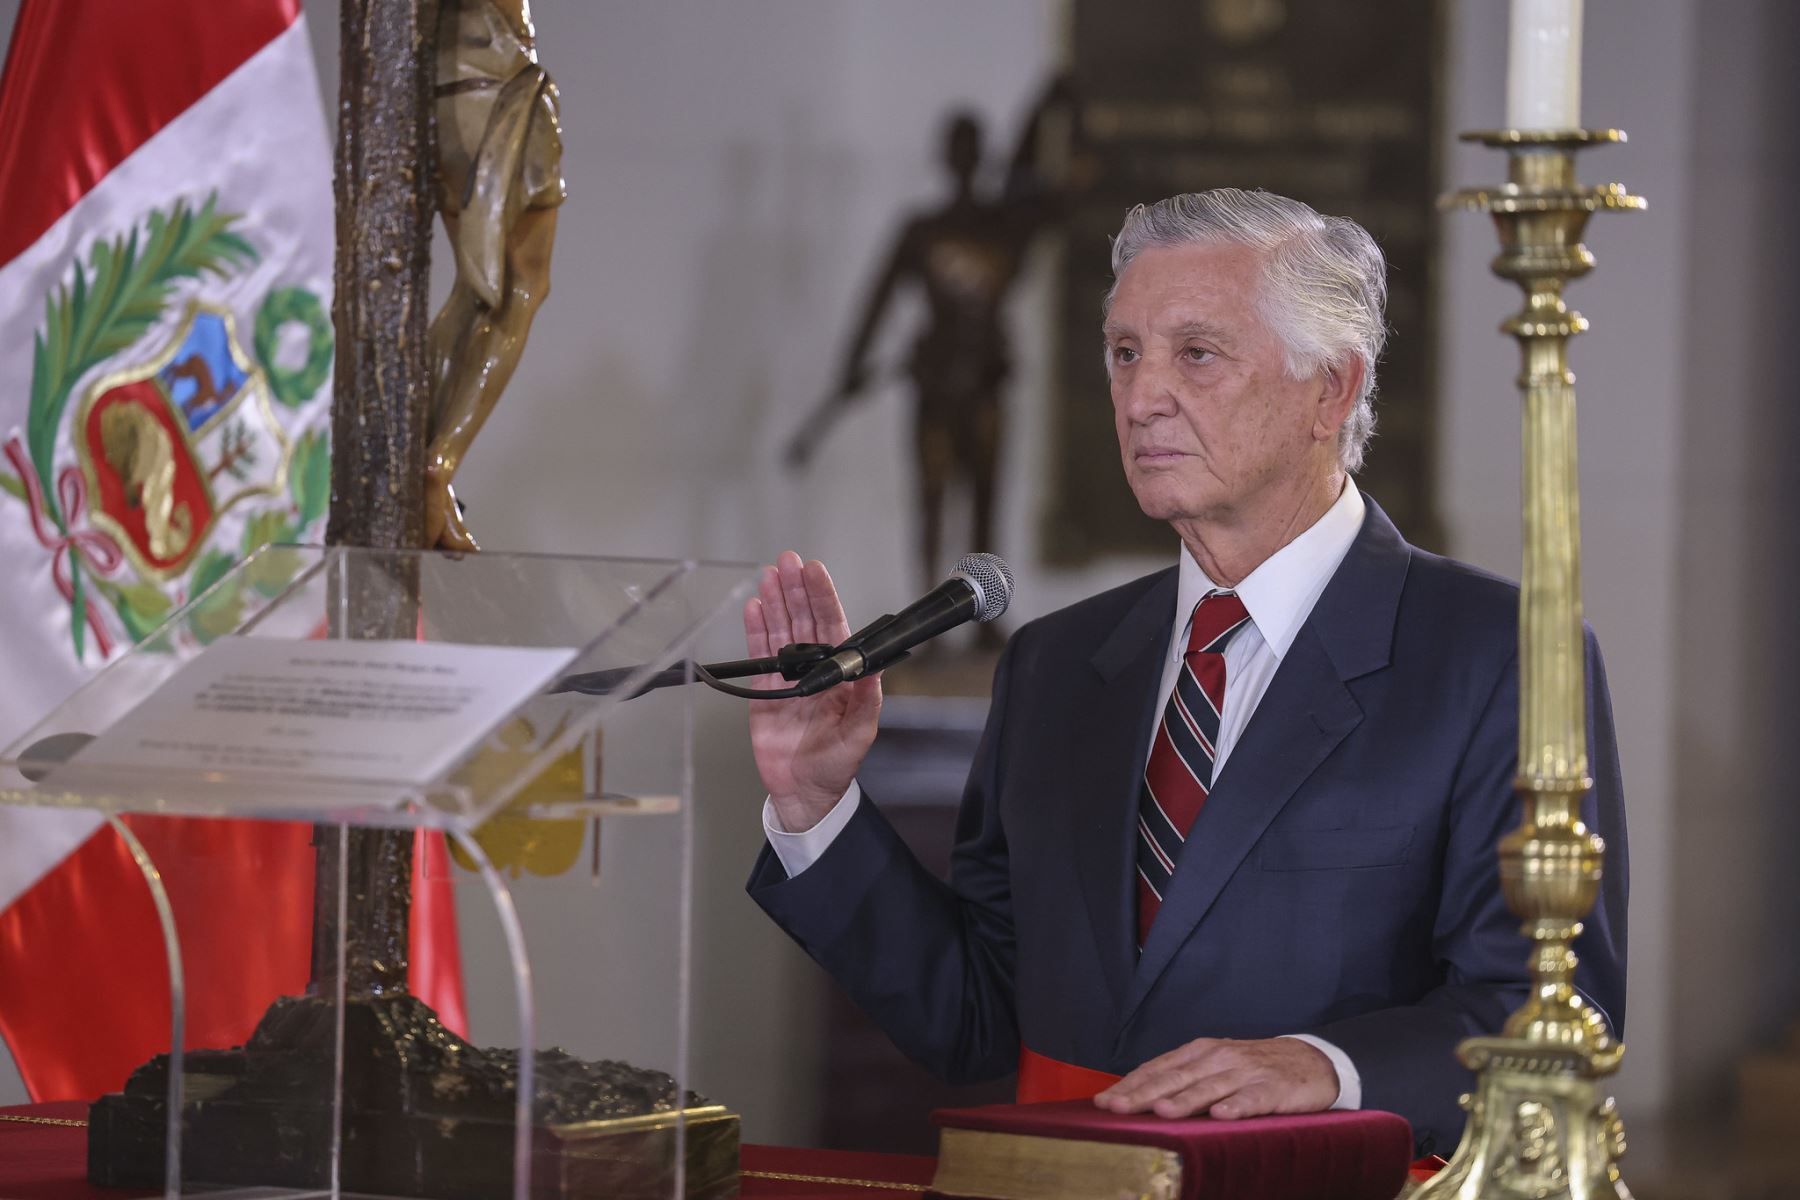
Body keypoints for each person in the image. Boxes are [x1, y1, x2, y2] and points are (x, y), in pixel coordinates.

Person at [741, 189, 1627, 1156]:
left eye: (1196, 354)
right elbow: (978, 1018)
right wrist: (815, 806)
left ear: (1331, 389)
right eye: (1125, 353)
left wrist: (1327, 1067)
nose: (1140, 398)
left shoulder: (1499, 655)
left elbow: (1556, 1014)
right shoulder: (1055, 663)